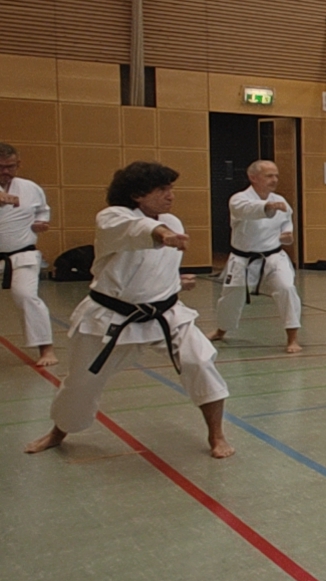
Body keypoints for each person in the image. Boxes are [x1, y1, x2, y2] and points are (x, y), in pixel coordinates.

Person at [27, 162, 232, 458]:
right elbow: (135, 231)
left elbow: (149, 272)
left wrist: (175, 283)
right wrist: (162, 235)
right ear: (137, 194)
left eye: (171, 188)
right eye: (162, 189)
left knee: (200, 363)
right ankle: (57, 432)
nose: (170, 195)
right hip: (111, 316)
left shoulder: (173, 222)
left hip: (166, 314)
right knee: (81, 383)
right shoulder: (112, 217)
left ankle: (217, 436)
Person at [210, 160, 301, 353]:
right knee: (231, 296)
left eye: (276, 175)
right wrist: (268, 206)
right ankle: (221, 330)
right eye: (269, 176)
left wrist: (287, 233)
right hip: (242, 258)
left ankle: (292, 338)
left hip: (273, 256)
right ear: (253, 177)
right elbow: (249, 211)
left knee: (287, 288)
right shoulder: (239, 199)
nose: (274, 180)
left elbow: (286, 221)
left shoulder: (281, 201)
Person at [0, 142, 56, 367]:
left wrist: (42, 222)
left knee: (26, 296)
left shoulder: (30, 188)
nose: (5, 171)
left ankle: (46, 348)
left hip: (22, 254)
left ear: (18, 165)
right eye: (0, 167)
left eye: (10, 166)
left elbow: (43, 209)